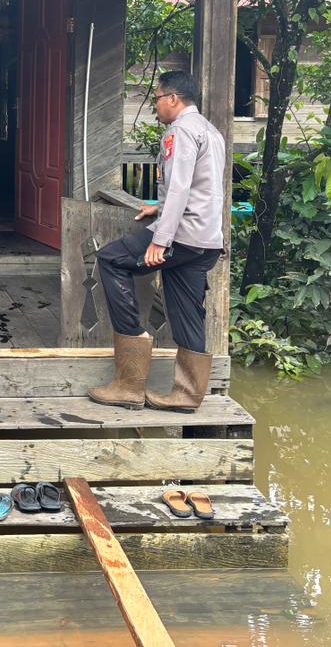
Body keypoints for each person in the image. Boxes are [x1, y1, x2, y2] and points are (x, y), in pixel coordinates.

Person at [88, 71, 225, 413]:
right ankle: (188, 395)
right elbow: (199, 187)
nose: (156, 106)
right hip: (206, 240)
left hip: (182, 234)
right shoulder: (210, 130)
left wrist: (160, 240)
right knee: (188, 310)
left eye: (158, 99)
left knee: (110, 260)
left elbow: (180, 186)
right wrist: (159, 206)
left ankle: (130, 383)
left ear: (174, 99)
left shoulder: (179, 131)